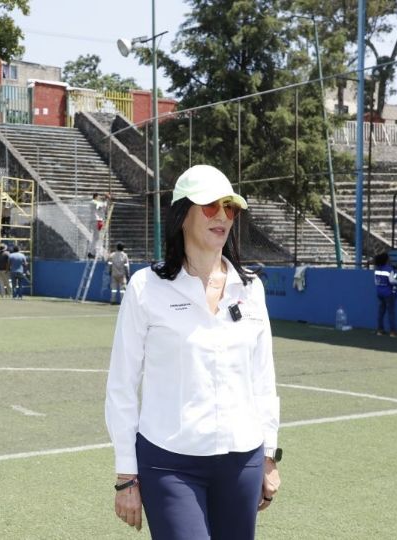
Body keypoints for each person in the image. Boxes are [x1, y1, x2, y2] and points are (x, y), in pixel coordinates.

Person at [105, 164, 281, 539]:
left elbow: (262, 379)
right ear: (182, 214)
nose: (222, 216)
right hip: (169, 464)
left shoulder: (251, 289)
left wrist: (269, 454)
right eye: (210, 206)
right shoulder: (145, 287)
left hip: (243, 463)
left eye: (230, 208)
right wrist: (125, 475)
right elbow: (122, 384)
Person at [373, 252, 397, 337]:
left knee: (381, 312)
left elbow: (376, 281)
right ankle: (393, 331)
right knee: (391, 312)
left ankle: (380, 330)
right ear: (386, 260)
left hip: (379, 292)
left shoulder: (376, 269)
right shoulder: (389, 269)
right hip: (388, 293)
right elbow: (391, 281)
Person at [89, 193, 109, 259]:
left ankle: (92, 252)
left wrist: (105, 200)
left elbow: (102, 207)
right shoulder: (93, 202)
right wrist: (106, 199)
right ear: (95, 197)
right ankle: (92, 252)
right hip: (96, 220)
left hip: (97, 220)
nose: (99, 198)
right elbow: (102, 205)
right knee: (96, 238)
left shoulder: (95, 203)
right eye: (98, 197)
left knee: (96, 237)